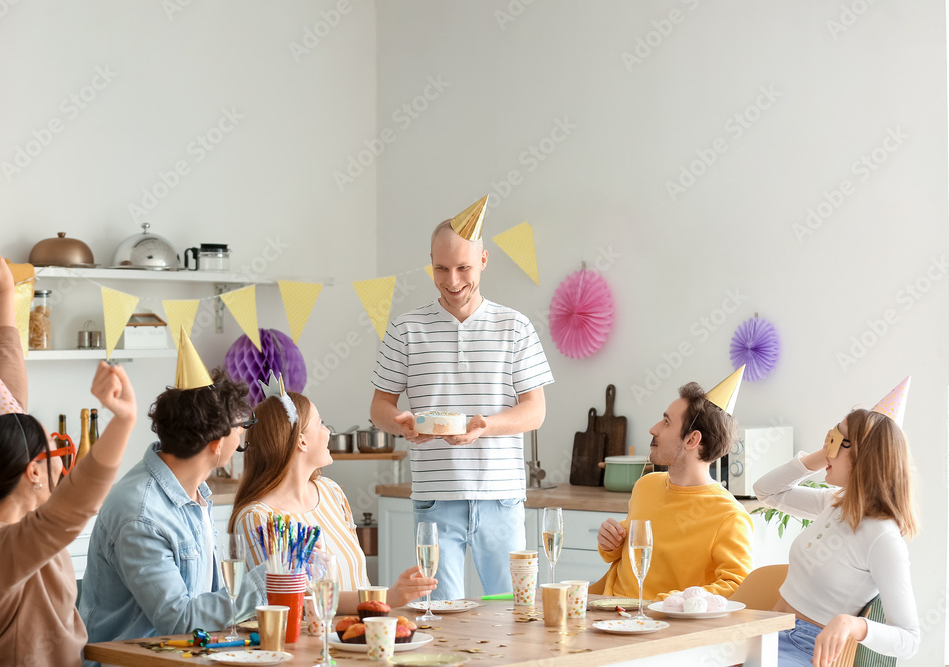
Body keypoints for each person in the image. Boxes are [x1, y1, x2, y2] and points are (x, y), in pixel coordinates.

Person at [0, 246, 137, 667]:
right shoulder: (2, 548)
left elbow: (7, 404)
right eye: (52, 452)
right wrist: (123, 421)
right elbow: (73, 507)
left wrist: (4, 295)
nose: (61, 460)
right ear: (33, 470)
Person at [370, 196, 554, 600]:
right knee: (440, 619)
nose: (452, 281)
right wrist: (400, 422)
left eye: (463, 268)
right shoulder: (405, 329)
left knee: (513, 614)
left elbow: (535, 411)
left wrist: (485, 427)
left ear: (484, 260)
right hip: (435, 499)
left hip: (501, 498)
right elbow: (379, 407)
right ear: (430, 263)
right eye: (441, 268)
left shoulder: (515, 327)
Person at [79, 329, 266, 660]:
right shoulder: (141, 513)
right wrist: (270, 580)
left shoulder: (195, 494)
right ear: (216, 443)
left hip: (185, 657)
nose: (241, 436)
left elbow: (201, 605)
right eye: (240, 428)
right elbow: (179, 619)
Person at [229, 373, 437, 613]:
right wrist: (386, 598)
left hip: (359, 634)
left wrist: (378, 612)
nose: (327, 431)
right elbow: (301, 601)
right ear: (301, 441)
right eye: (320, 423)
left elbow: (360, 579)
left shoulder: (331, 492)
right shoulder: (258, 518)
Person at [754, 378, 919, 666]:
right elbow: (766, 491)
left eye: (835, 440)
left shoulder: (883, 538)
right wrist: (828, 453)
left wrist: (851, 624)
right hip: (765, 631)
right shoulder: (835, 502)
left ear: (863, 458)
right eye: (829, 436)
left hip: (802, 648)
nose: (827, 446)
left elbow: (909, 639)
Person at [596, 369, 753, 599]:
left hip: (665, 627)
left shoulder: (730, 516)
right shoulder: (645, 486)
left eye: (666, 422)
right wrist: (611, 542)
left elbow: (737, 585)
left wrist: (672, 603)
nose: (653, 429)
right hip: (610, 612)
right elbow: (631, 552)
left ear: (692, 440)